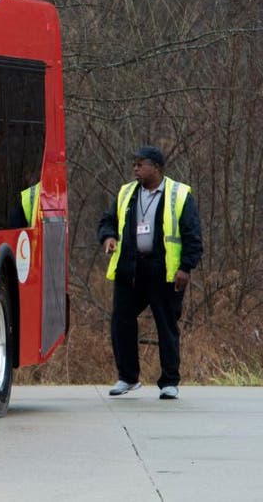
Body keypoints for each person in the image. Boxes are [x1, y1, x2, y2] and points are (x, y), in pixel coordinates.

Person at [97, 145, 202, 400]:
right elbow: (108, 220)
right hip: (130, 269)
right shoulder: (127, 193)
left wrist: (185, 267)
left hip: (163, 270)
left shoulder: (178, 194)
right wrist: (109, 236)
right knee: (121, 321)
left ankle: (169, 381)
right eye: (134, 164)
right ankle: (128, 378)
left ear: (156, 167)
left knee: (166, 324)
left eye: (140, 164)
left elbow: (192, 235)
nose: (135, 169)